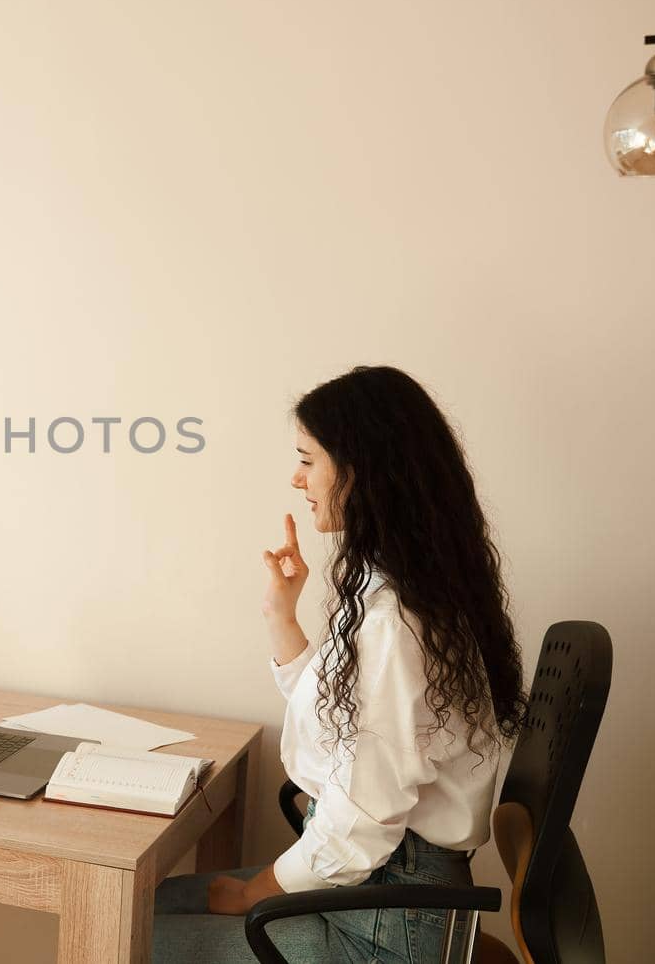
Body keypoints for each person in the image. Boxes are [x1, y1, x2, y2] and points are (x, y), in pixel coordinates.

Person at [153, 365, 528, 963]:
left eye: (308, 459)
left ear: (359, 471)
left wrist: (254, 893)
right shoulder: (404, 591)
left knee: (127, 933)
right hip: (387, 894)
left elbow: (360, 825)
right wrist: (282, 615)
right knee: (152, 901)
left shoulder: (393, 623)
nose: (297, 478)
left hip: (387, 926)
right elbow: (345, 722)